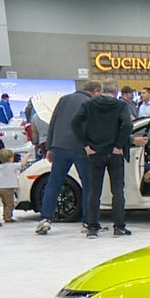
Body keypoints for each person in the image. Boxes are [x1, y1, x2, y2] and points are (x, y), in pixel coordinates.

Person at [71, 79, 134, 237]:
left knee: (94, 190)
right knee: (117, 190)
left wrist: (86, 145)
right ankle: (119, 227)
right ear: (116, 91)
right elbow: (127, 125)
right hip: (114, 153)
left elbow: (74, 122)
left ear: (101, 89)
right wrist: (119, 145)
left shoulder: (89, 104)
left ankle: (92, 227)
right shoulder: (121, 106)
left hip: (95, 152)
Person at [36, 81, 100, 235]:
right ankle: (87, 222)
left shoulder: (63, 99)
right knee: (88, 184)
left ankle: (45, 219)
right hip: (80, 148)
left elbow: (53, 123)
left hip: (59, 146)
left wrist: (50, 147)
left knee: (54, 182)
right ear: (95, 91)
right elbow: (92, 126)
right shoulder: (91, 102)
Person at [0, 148, 20, 223]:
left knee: (5, 203)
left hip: (0, 188)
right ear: (10, 158)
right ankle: (8, 217)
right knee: (10, 204)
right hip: (8, 188)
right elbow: (22, 164)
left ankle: (5, 215)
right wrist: (27, 156)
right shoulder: (12, 166)